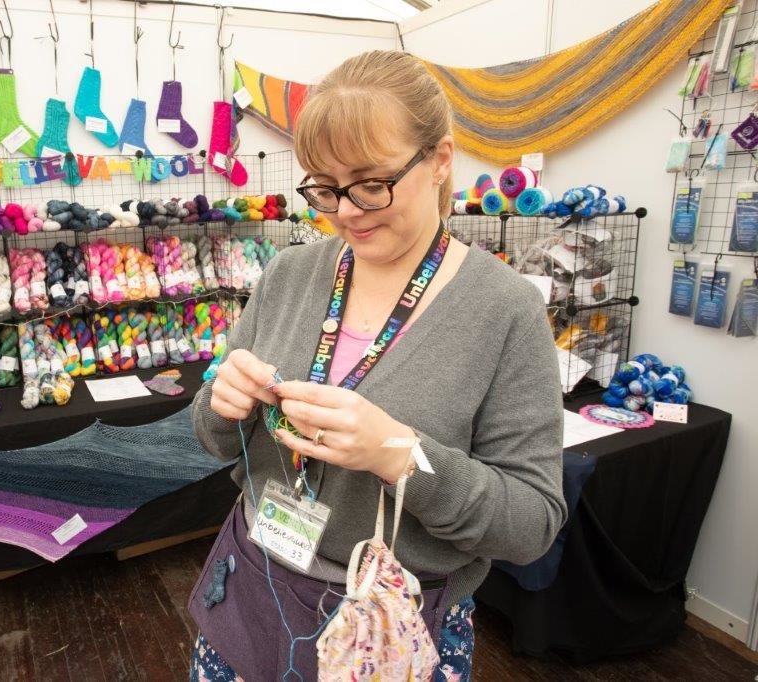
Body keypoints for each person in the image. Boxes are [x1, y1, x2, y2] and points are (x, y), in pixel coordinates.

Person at [189, 50, 565, 681]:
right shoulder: (289, 276)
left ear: (440, 160)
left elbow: (530, 524)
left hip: (393, 630)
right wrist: (222, 402)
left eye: (370, 184)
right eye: (324, 187)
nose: (346, 212)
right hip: (251, 590)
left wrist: (400, 455)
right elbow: (213, 437)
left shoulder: (505, 313)